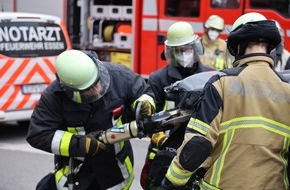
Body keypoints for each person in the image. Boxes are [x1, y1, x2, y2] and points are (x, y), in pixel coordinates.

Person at [162, 12, 290, 190]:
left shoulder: (222, 83)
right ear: (270, 48)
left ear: (237, 47)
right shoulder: (287, 88)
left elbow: (199, 143)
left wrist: (173, 180)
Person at [26, 49, 156, 190]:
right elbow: (38, 134)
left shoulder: (119, 75)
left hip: (116, 169)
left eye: (97, 82)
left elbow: (144, 92)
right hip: (76, 171)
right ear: (71, 90)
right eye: (90, 88)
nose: (98, 89)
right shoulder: (54, 97)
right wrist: (81, 145)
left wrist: (145, 104)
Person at [140, 21, 214, 190]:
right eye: (177, 50)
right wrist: (156, 137)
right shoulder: (158, 79)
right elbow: (150, 115)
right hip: (163, 150)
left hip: (198, 152)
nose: (183, 54)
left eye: (186, 49)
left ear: (195, 48)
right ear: (170, 52)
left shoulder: (209, 77)